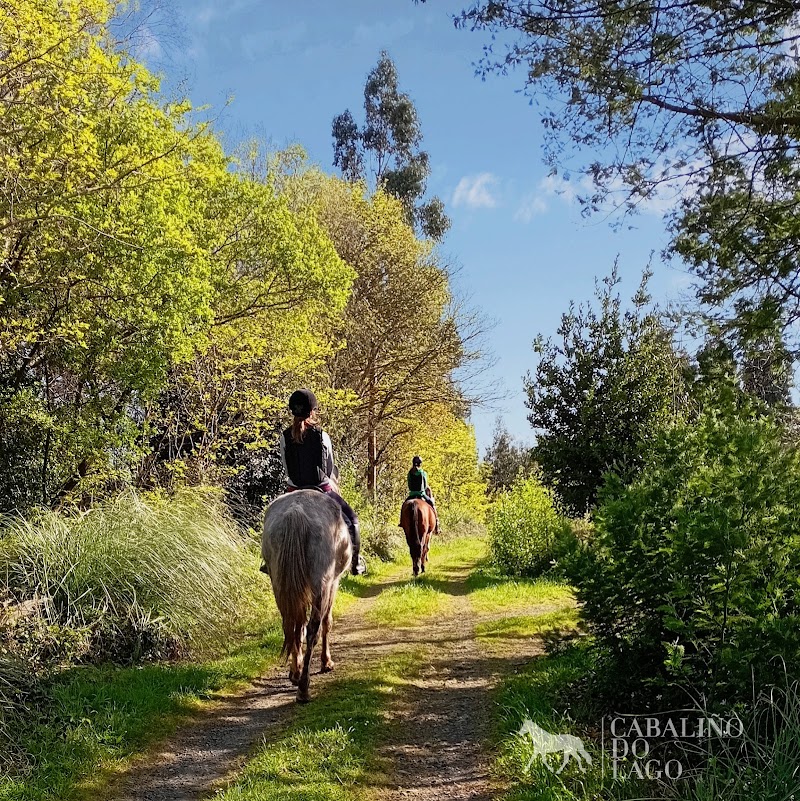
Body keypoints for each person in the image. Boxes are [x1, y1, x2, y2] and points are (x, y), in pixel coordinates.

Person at [277, 388, 365, 576]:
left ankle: (268, 562)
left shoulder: (283, 438)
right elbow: (329, 468)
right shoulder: (321, 436)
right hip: (321, 489)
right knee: (353, 522)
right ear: (312, 411)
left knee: (274, 520)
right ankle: (356, 563)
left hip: (293, 491)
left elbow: (286, 468)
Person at [401, 455, 440, 534]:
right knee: (432, 504)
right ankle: (436, 523)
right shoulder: (423, 473)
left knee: (403, 506)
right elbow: (425, 485)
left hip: (411, 494)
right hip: (421, 494)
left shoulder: (409, 473)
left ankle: (401, 522)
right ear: (420, 464)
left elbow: (409, 484)